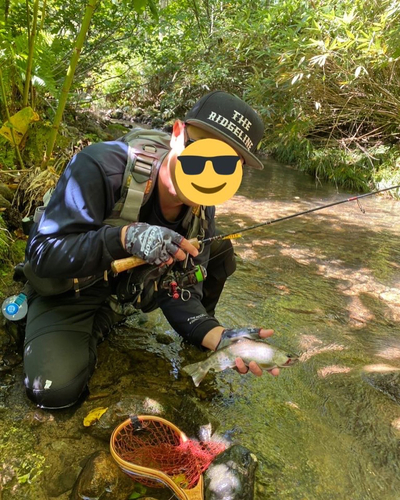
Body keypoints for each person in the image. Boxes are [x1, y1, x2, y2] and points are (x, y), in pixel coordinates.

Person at [22, 90, 279, 409]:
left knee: (220, 249)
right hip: (71, 284)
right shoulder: (102, 166)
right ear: (176, 134)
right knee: (52, 391)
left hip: (126, 283)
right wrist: (125, 238)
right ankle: (97, 318)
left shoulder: (202, 207)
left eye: (227, 165)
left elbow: (182, 289)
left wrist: (218, 337)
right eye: (201, 152)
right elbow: (43, 254)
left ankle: (118, 316)